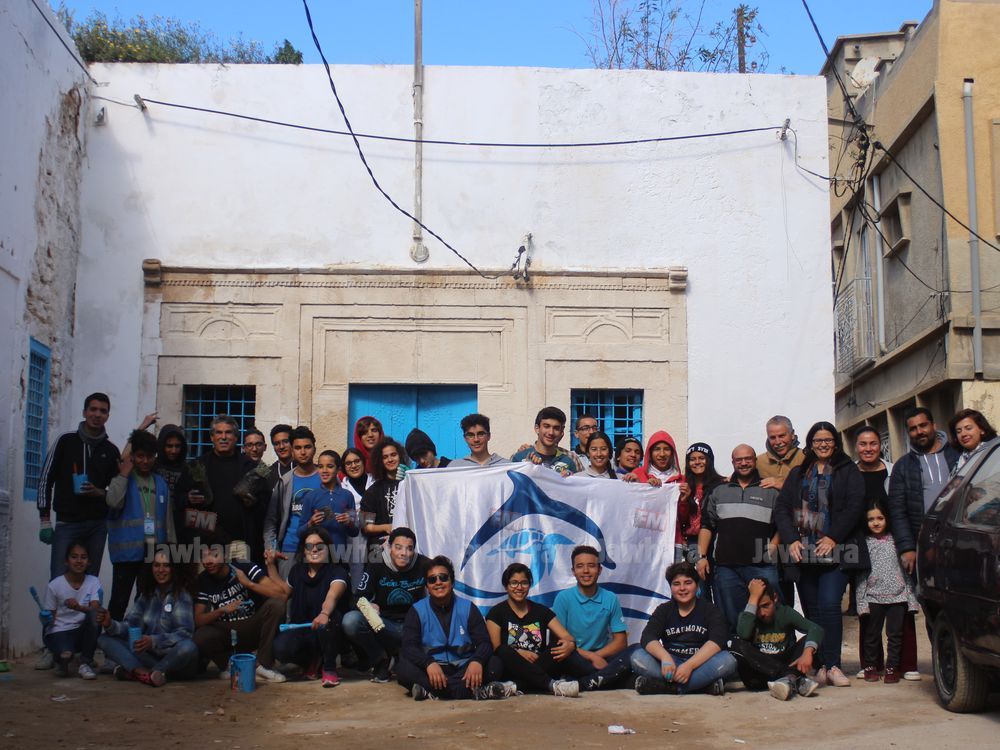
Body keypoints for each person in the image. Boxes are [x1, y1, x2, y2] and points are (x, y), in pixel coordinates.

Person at [775, 421, 866, 688]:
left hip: (837, 550)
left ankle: (833, 664)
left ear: (835, 443)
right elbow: (782, 508)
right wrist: (791, 540)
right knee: (813, 611)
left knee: (828, 605)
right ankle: (821, 664)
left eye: (828, 440)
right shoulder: (798, 473)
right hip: (804, 553)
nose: (823, 445)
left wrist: (834, 536)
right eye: (818, 440)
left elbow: (855, 506)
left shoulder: (848, 471)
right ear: (810, 444)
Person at [886, 406, 959, 681]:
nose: (919, 432)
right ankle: (945, 666)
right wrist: (907, 548)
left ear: (933, 425)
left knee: (961, 604)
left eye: (922, 426)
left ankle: (966, 664)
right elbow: (897, 511)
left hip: (960, 546)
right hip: (925, 548)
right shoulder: (903, 466)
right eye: (913, 429)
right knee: (933, 605)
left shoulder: (957, 455)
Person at [397, 556, 515, 701]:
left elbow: (484, 642)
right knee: (403, 668)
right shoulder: (417, 610)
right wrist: (428, 663)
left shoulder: (468, 608)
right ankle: (474, 691)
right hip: (433, 669)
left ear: (452, 582)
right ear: (427, 586)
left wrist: (477, 661)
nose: (438, 582)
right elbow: (409, 646)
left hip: (464, 668)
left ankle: (432, 692)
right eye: (432, 579)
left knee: (494, 664)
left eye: (443, 577)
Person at [696, 445, 780, 635]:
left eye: (748, 458)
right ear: (733, 462)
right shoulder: (719, 490)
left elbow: (782, 525)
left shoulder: (770, 491)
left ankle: (769, 651)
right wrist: (701, 557)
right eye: (739, 460)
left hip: (762, 565)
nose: (743, 463)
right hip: (727, 567)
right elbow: (707, 525)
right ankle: (738, 651)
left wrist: (773, 547)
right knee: (732, 617)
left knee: (768, 614)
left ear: (755, 460)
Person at [38, 392, 120, 582]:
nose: (97, 414)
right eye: (93, 409)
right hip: (67, 523)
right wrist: (44, 519)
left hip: (97, 526)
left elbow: (118, 492)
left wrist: (99, 492)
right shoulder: (65, 441)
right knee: (59, 580)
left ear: (107, 416)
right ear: (84, 412)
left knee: (89, 583)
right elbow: (45, 479)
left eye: (103, 411)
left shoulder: (111, 450)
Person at [97, 549, 198, 686]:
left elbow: (185, 634)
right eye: (156, 565)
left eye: (166, 565)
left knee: (188, 647)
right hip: (148, 656)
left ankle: (145, 672)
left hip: (173, 659)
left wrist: (153, 641)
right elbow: (130, 626)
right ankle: (145, 673)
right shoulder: (147, 594)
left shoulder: (181, 595)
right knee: (104, 639)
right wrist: (110, 624)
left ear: (174, 568)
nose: (160, 570)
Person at [632, 561, 736, 695]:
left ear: (697, 585)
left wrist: (689, 665)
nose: (682, 588)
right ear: (670, 587)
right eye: (676, 584)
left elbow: (717, 641)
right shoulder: (664, 610)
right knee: (637, 656)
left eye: (688, 583)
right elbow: (647, 637)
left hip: (701, 664)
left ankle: (668, 688)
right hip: (671, 664)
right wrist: (665, 658)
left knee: (729, 661)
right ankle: (702, 687)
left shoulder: (709, 609)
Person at [486, 562, 587, 697]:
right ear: (506, 586)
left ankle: (512, 686)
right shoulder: (496, 612)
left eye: (524, 583)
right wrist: (519, 652)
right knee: (502, 650)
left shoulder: (542, 611)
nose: (519, 587)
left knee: (557, 645)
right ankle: (553, 685)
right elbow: (496, 648)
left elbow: (567, 637)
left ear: (529, 585)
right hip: (511, 666)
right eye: (514, 583)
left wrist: (570, 645)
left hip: (539, 663)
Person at [342, 527, 430, 683]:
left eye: (409, 548)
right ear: (389, 547)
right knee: (350, 620)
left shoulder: (424, 564)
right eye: (398, 547)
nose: (404, 553)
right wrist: (369, 606)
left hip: (414, 626)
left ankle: (399, 654)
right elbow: (357, 598)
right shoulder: (377, 563)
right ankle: (380, 659)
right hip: (383, 624)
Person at [105, 429, 175, 620]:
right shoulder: (123, 479)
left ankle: (138, 635)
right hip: (126, 553)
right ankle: (112, 636)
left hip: (153, 551)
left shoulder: (160, 482)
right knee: (119, 600)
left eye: (150, 457)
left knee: (145, 598)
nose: (145, 461)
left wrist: (170, 548)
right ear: (133, 456)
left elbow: (168, 519)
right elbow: (113, 502)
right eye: (140, 456)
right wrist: (123, 474)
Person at [192, 544, 288, 683]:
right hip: (227, 632)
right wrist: (221, 610)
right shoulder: (203, 579)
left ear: (225, 556)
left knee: (276, 606)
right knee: (200, 636)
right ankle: (230, 666)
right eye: (204, 557)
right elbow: (198, 620)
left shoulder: (243, 566)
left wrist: (249, 584)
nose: (208, 561)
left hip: (252, 626)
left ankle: (264, 666)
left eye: (214, 555)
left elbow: (281, 596)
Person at [271, 527, 353, 687]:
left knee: (326, 623)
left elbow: (332, 596)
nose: (314, 550)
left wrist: (324, 613)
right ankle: (311, 661)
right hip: (303, 629)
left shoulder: (338, 571)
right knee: (280, 648)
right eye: (309, 546)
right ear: (303, 550)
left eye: (319, 546)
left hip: (330, 629)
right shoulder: (296, 571)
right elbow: (283, 594)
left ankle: (329, 667)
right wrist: (270, 566)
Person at [175, 415, 257, 559]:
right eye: (219, 433)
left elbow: (265, 504)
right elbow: (177, 500)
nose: (223, 437)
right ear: (212, 437)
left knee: (240, 575)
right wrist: (188, 499)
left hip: (239, 544)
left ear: (236, 437)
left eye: (228, 432)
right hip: (205, 545)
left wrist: (253, 503)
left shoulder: (250, 467)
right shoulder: (196, 466)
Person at [552, 546, 633, 691]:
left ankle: (585, 682)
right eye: (580, 566)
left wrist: (596, 656)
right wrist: (591, 657)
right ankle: (609, 679)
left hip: (602, 656)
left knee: (636, 649)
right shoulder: (563, 598)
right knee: (563, 656)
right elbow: (559, 642)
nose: (586, 571)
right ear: (573, 571)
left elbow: (621, 642)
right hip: (575, 656)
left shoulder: (610, 598)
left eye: (591, 565)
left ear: (599, 570)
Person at [857, 499, 919, 685]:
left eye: (880, 518)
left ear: (887, 519)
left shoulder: (897, 542)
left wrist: (911, 599)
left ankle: (892, 667)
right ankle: (870, 666)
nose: (876, 523)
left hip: (897, 596)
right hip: (873, 597)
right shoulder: (865, 544)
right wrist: (861, 602)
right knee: (871, 635)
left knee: (895, 635)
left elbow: (906, 572)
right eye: (871, 519)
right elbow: (861, 575)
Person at [730, 578, 822, 700]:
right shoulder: (748, 615)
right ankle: (791, 679)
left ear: (775, 598)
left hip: (783, 659)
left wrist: (807, 652)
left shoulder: (784, 612)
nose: (762, 613)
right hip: (760, 671)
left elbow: (816, 629)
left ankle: (788, 681)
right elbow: (743, 634)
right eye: (757, 607)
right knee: (735, 644)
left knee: (811, 642)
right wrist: (753, 598)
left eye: (766, 606)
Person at [264, 426, 322, 577]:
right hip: (290, 548)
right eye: (298, 448)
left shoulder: (326, 477)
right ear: (292, 450)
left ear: (314, 449)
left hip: (321, 548)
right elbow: (271, 520)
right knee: (288, 592)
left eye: (307, 447)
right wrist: (271, 547)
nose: (303, 452)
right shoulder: (285, 481)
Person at [43, 541, 102, 679]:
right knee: (66, 655)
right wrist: (45, 618)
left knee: (97, 615)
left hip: (81, 631)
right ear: (66, 561)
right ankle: (60, 658)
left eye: (83, 557)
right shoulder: (54, 585)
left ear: (89, 562)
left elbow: (95, 608)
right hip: (60, 631)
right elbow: (50, 621)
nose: (79, 561)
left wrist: (79, 607)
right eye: (74, 557)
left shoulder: (93, 581)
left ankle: (85, 662)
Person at [297, 450, 359, 557]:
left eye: (330, 466)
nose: (324, 471)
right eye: (320, 467)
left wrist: (349, 523)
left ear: (338, 469)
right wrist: (311, 523)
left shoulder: (347, 495)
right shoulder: (311, 496)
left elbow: (354, 532)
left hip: (340, 556)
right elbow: (299, 533)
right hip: (317, 555)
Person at [677, 443, 724, 564]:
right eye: (692, 459)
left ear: (709, 460)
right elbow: (680, 519)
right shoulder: (683, 485)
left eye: (701, 458)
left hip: (716, 539)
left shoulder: (722, 484)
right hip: (691, 542)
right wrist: (684, 500)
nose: (697, 462)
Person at [359, 438, 408, 548]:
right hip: (379, 548)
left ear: (400, 456)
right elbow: (365, 526)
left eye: (393, 455)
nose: (390, 459)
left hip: (407, 547)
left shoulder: (409, 486)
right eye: (385, 457)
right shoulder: (372, 491)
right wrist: (387, 527)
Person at [510, 406, 582, 477]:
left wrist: (569, 478)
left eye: (556, 428)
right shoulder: (519, 457)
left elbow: (581, 483)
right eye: (546, 426)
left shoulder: (569, 461)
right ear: (537, 428)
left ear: (561, 431)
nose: (551, 432)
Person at [339, 446, 373, 585]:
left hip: (375, 537)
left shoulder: (376, 482)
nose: (353, 466)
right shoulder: (342, 489)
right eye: (348, 463)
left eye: (357, 461)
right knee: (357, 577)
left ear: (363, 462)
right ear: (344, 467)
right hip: (354, 541)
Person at [757, 415, 805, 491]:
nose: (778, 442)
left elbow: (813, 491)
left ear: (792, 434)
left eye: (782, 436)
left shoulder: (806, 458)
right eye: (772, 437)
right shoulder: (758, 462)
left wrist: (782, 485)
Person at [154, 424, 190, 511]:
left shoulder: (187, 470)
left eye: (177, 446)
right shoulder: (152, 466)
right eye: (169, 446)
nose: (174, 451)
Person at [949, 408, 997, 473]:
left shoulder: (994, 453)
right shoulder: (956, 460)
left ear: (982, 429)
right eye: (959, 431)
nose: (963, 434)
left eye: (968, 428)